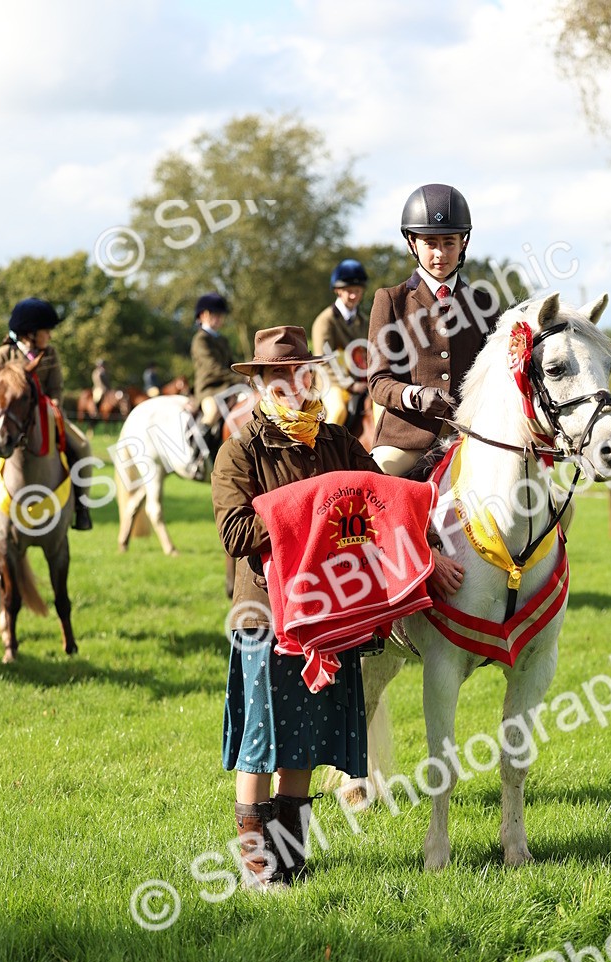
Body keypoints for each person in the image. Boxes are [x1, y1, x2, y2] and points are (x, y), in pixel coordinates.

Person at [211, 325, 462, 888]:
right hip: (268, 614)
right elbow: (236, 532)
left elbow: (382, 502)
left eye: (300, 375)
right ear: (260, 385)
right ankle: (256, 862)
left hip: (332, 609)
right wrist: (315, 511)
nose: (291, 387)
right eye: (277, 378)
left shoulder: (338, 441)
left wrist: (426, 549)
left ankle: (290, 857)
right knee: (262, 736)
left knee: (304, 735)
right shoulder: (238, 450)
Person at [368, 183, 500, 476]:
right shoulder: (391, 300)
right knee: (375, 487)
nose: (441, 253)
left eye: (449, 242)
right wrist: (415, 395)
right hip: (406, 442)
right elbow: (378, 381)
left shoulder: (484, 304)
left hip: (469, 439)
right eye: (430, 243)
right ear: (412, 244)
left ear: (463, 243)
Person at [0, 297, 93, 530]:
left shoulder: (50, 354)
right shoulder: (3, 355)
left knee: (82, 445)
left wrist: (52, 407)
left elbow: (56, 388)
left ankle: (82, 508)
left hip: (47, 416)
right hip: (9, 420)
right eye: (46, 330)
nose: (49, 335)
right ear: (30, 332)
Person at [311, 258, 370, 432]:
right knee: (338, 411)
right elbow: (324, 360)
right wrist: (350, 384)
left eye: (358, 290)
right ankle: (324, 453)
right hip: (332, 382)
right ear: (337, 290)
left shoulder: (364, 321)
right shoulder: (325, 320)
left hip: (361, 381)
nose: (354, 295)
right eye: (348, 291)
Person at [190, 292, 237, 454]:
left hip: (228, 386)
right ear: (203, 315)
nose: (219, 319)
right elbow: (213, 368)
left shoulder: (222, 340)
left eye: (221, 315)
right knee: (213, 412)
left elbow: (232, 364)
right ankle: (196, 454)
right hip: (209, 388)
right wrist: (239, 378)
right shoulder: (200, 340)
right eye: (215, 315)